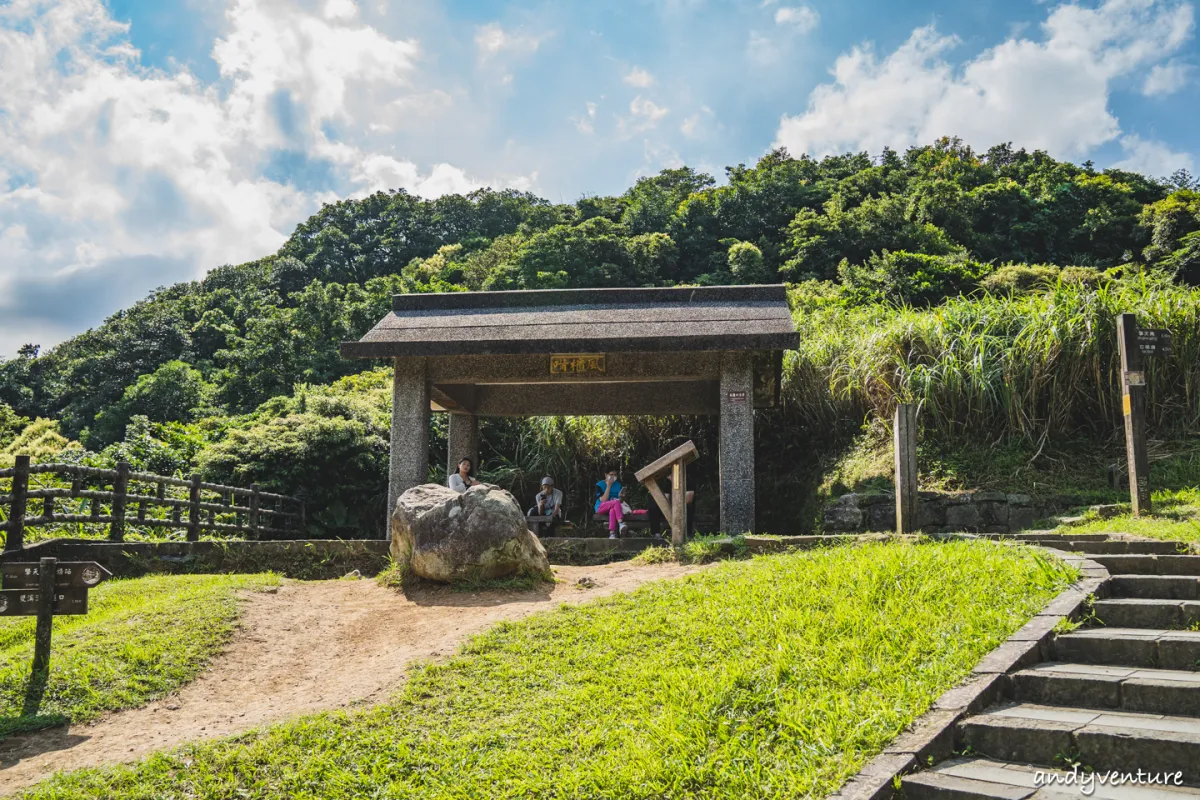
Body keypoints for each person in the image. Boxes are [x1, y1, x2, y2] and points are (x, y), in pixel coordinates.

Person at [594, 468, 627, 538]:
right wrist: (609, 486)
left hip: (613, 507)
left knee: (612, 511)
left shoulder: (618, 485)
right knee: (615, 502)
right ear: (606, 475)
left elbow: (620, 501)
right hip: (601, 507)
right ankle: (621, 523)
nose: (613, 477)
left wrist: (622, 497)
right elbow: (603, 500)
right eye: (611, 474)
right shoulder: (599, 485)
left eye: (615, 475)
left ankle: (612, 534)